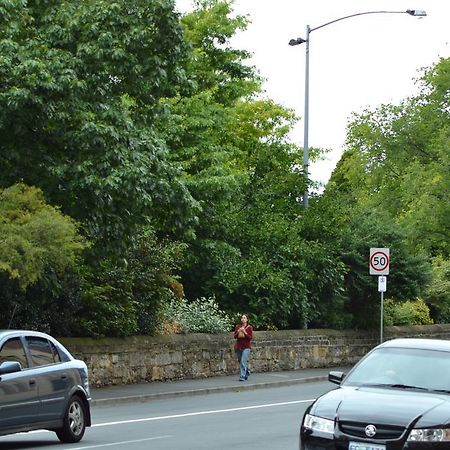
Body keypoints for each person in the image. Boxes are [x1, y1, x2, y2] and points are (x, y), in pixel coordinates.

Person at [234, 314, 253, 381]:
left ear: (247, 319)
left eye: (244, 318)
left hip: (246, 347)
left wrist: (244, 332)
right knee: (240, 361)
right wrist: (238, 331)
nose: (243, 319)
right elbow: (235, 336)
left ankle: (242, 376)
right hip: (239, 346)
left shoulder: (249, 327)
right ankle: (247, 372)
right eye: (242, 318)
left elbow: (250, 338)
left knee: (243, 361)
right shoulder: (237, 327)